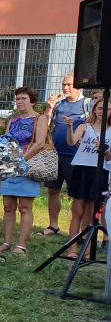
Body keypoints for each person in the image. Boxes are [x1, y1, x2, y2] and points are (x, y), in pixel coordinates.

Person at [0, 87, 48, 255]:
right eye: (18, 99)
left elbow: (40, 143)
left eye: (23, 98)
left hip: (28, 166)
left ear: (32, 101)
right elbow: (5, 141)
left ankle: (21, 245)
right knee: (8, 206)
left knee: (25, 207)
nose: (19, 101)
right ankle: (7, 242)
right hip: (9, 166)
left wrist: (21, 160)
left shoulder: (40, 118)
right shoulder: (13, 120)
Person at [64, 96, 111, 246]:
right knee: (77, 209)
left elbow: (109, 157)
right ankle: (72, 248)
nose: (103, 111)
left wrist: (104, 150)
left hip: (100, 171)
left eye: (107, 109)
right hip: (82, 168)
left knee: (92, 211)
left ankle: (89, 248)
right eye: (100, 108)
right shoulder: (85, 127)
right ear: (94, 110)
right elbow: (71, 142)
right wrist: (69, 127)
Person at [44, 73, 85, 235]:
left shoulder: (86, 104)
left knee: (77, 194)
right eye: (63, 84)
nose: (65, 87)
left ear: (78, 86)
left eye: (69, 84)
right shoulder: (59, 104)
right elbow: (46, 125)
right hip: (55, 154)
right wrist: (50, 107)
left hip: (75, 156)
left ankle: (77, 230)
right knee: (53, 191)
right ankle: (53, 225)